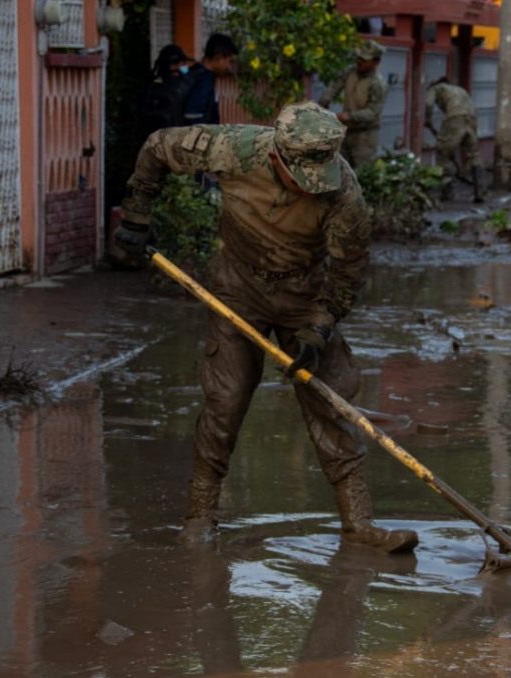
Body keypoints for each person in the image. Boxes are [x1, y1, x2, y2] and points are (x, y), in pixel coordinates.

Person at [113, 102, 418, 554]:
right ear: (277, 156)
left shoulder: (343, 192)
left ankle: (359, 523)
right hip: (237, 287)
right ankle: (199, 518)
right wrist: (137, 213)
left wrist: (321, 326)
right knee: (226, 397)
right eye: (303, 177)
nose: (313, 186)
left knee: (332, 399)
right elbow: (158, 147)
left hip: (304, 294)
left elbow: (348, 271)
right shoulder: (233, 148)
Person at [318, 40, 387, 169]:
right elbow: (333, 87)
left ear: (375, 63)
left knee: (362, 171)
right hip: (346, 131)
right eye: (359, 57)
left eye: (365, 60)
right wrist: (323, 103)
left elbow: (373, 112)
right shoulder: (350, 72)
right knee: (341, 169)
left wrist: (348, 116)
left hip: (365, 136)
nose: (360, 62)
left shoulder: (377, 84)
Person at [424, 76, 483, 203]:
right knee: (474, 155)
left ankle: (447, 192)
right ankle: (480, 192)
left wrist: (427, 120)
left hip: (454, 118)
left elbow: (428, 103)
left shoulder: (435, 88)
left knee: (443, 155)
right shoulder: (460, 90)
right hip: (471, 118)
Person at [138, 44, 194, 139]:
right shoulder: (161, 87)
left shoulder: (184, 82)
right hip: (166, 138)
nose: (183, 67)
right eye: (181, 64)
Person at [183, 33, 239, 126]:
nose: (229, 67)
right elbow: (193, 117)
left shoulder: (197, 72)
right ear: (218, 56)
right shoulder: (204, 80)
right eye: (229, 61)